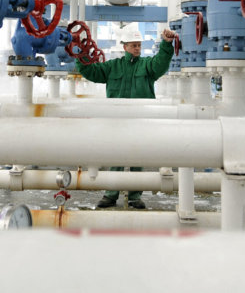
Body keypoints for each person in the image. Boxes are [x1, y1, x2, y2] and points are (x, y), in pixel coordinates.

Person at [76, 27, 177, 209]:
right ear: (125, 47)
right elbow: (91, 72)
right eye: (133, 45)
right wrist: (80, 55)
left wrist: (166, 44)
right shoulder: (112, 66)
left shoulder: (147, 65)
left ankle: (135, 196)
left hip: (140, 120)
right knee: (116, 157)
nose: (137, 48)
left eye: (139, 45)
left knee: (138, 158)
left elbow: (161, 63)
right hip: (117, 121)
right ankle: (110, 194)